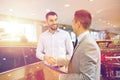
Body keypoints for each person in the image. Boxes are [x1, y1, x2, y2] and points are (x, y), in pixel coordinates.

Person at [59, 9, 101, 80]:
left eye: (72, 22)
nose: (72, 25)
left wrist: (60, 77)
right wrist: (58, 61)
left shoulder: (88, 45)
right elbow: (78, 60)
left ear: (78, 24)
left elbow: (86, 78)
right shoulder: (83, 41)